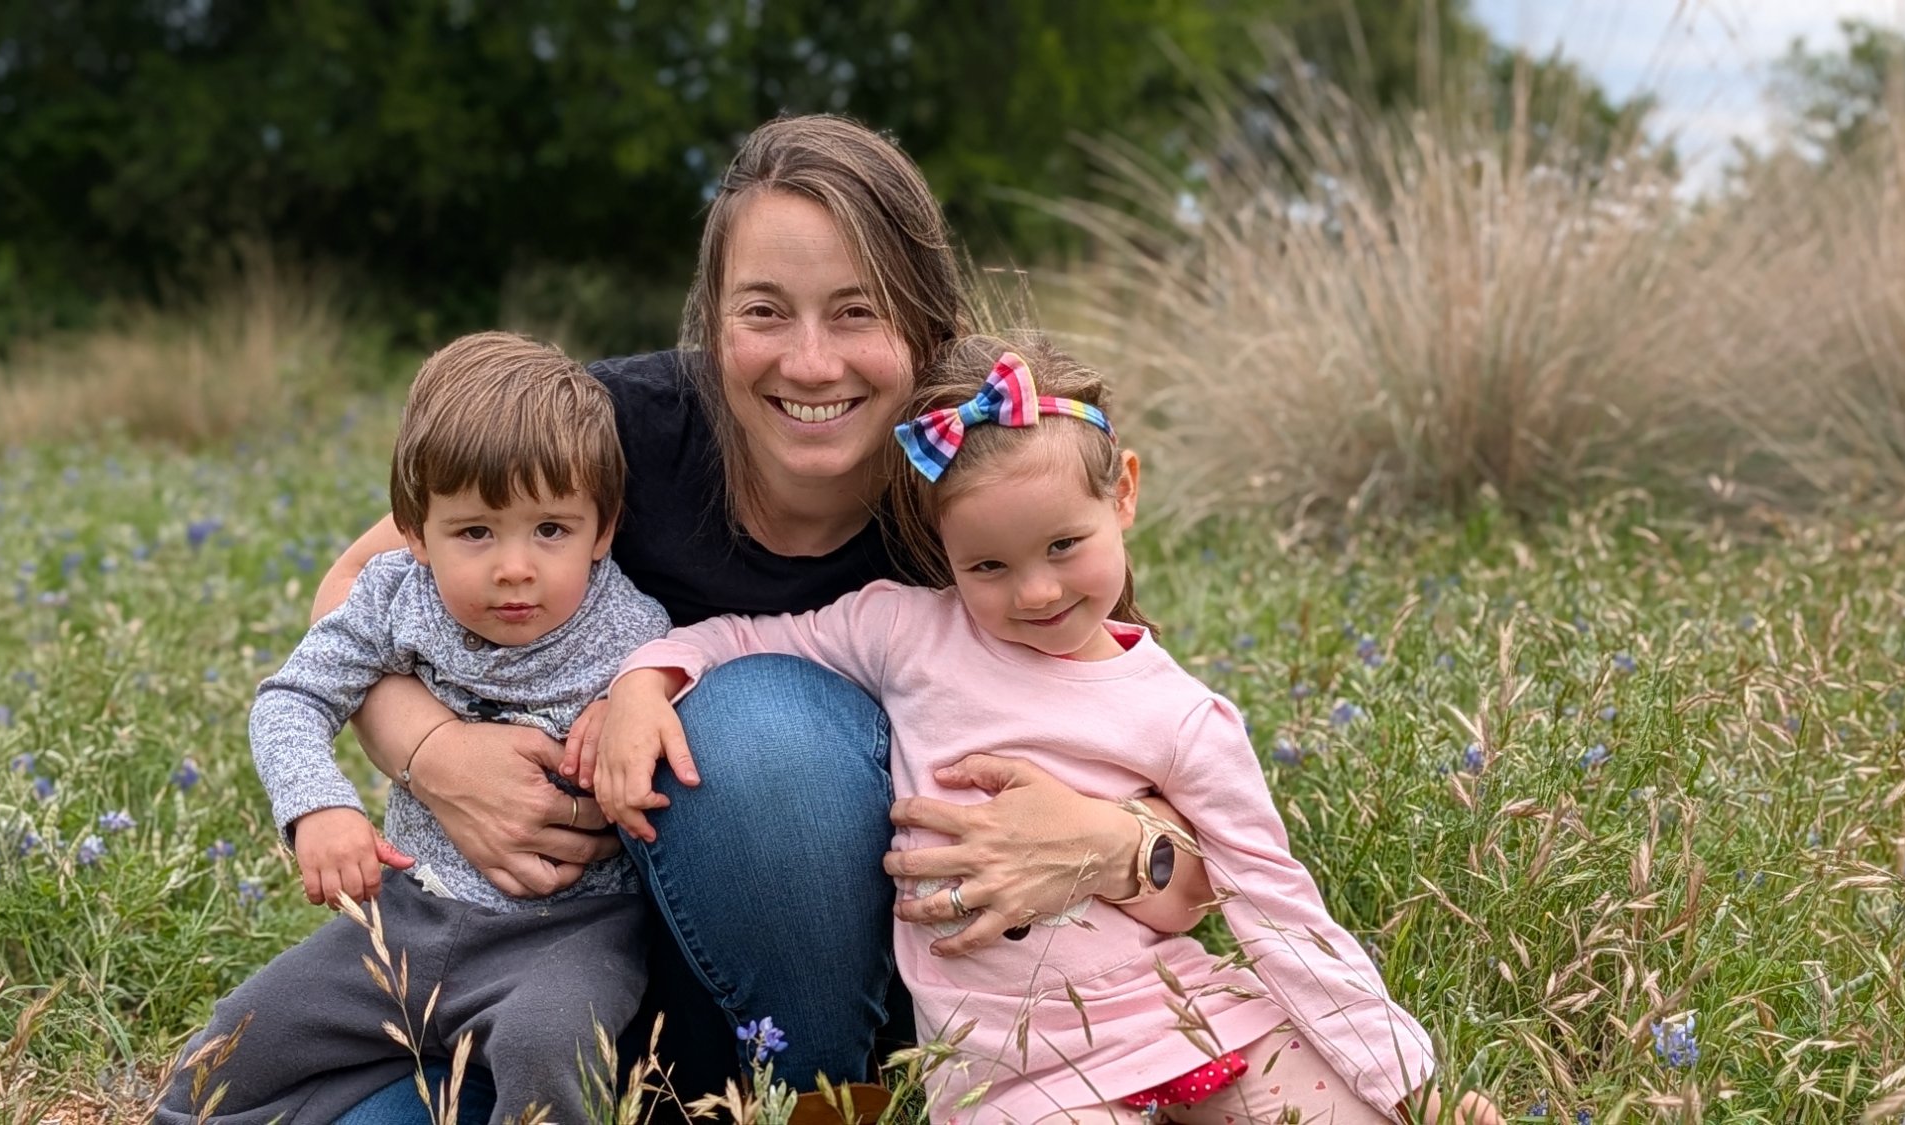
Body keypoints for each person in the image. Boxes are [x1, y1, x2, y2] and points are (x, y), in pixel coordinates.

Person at [314, 115, 1222, 1123]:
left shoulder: (987, 468)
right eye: (763, 311)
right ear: (709, 321)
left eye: (854, 312)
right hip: (549, 976)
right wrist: (435, 753)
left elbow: (1175, 790)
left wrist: (1104, 841)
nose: (809, 362)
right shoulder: (612, 433)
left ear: (926, 325)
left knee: (756, 735)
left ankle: (819, 1103)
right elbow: (350, 594)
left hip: (895, 1009)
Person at [596, 335, 1507, 1125]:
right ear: (943, 555)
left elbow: (1278, 909)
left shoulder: (1182, 714)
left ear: (1125, 495)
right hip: (1016, 1063)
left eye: (1063, 547)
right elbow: (751, 635)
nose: (1034, 592)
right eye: (988, 564)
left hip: (1182, 1010)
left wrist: (1406, 1081)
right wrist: (647, 679)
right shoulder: (909, 631)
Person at [161, 333, 670, 1125]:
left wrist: (636, 698)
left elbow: (681, 687)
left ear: (603, 530)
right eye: (475, 531)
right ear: (413, 529)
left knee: (549, 1044)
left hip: (567, 935)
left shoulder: (633, 626)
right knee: (230, 1042)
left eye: (551, 530)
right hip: (407, 911)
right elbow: (289, 698)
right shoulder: (396, 596)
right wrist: (318, 808)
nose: (514, 567)